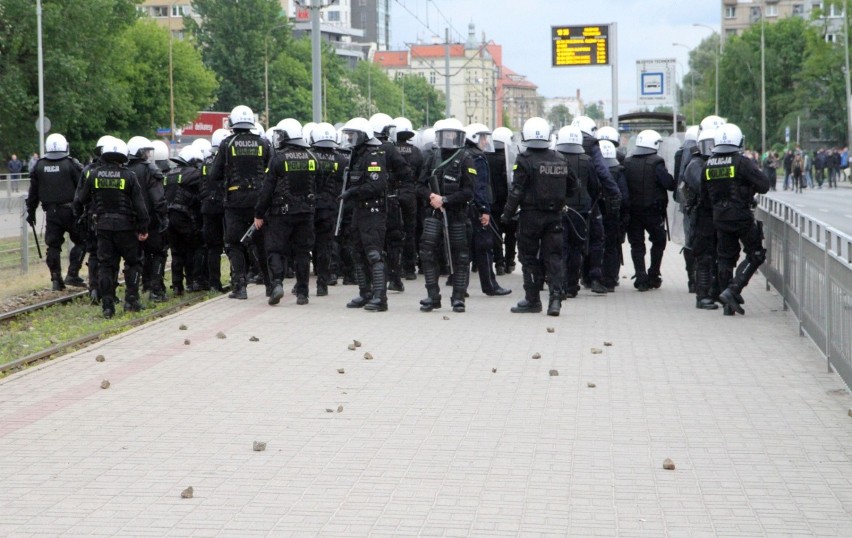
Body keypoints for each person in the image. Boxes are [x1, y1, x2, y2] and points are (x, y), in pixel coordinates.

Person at [501, 117, 577, 316]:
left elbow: (516, 191)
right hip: (555, 217)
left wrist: (506, 215)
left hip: (530, 217)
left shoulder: (524, 160)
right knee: (554, 258)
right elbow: (573, 186)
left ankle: (533, 300)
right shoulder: (561, 159)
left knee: (529, 258)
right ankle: (555, 302)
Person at [73, 138, 150, 318]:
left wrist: (80, 217)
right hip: (126, 228)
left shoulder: (94, 175)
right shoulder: (129, 176)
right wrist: (143, 227)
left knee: (106, 265)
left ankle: (107, 306)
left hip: (103, 228)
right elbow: (140, 206)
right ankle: (131, 300)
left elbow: (79, 200)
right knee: (132, 263)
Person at [700, 123, 771, 316]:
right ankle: (733, 289)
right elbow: (764, 184)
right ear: (738, 140)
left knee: (725, 258)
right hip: (741, 217)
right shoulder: (741, 162)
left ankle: (727, 306)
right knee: (756, 253)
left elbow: (703, 196)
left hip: (719, 218)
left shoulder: (708, 164)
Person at [206, 105, 273, 300]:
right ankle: (270, 286)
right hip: (258, 203)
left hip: (234, 202)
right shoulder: (263, 143)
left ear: (233, 123)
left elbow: (214, 175)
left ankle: (240, 287)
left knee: (234, 244)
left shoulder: (227, 144)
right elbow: (272, 170)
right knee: (261, 244)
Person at [254, 118, 317, 306]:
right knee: (302, 252)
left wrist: (259, 213)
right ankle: (303, 293)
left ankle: (277, 284)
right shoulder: (311, 157)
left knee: (275, 249)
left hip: (281, 214)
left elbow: (267, 189)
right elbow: (318, 184)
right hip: (306, 213)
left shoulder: (278, 158)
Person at [417, 119, 475, 313]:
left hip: (456, 214)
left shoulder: (466, 159)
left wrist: (446, 200)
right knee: (426, 252)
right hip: (434, 213)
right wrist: (431, 197)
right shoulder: (432, 157)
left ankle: (458, 298)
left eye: (453, 134)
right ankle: (432, 295)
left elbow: (468, 192)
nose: (449, 138)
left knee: (460, 256)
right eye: (445, 134)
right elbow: (419, 184)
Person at [338, 117, 390, 312]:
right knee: (357, 252)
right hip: (359, 210)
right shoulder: (356, 155)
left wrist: (353, 191)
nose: (350, 139)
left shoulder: (374, 155)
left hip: (373, 212)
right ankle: (365, 292)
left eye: (353, 135)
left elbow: (376, 184)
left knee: (374, 254)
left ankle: (380, 297)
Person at [26, 134, 87, 291]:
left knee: (53, 246)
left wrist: (30, 211)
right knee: (83, 241)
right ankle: (72, 273)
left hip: (51, 213)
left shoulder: (39, 166)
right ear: (64, 146)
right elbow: (83, 188)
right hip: (72, 211)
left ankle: (56, 279)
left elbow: (33, 193)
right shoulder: (71, 164)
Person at [623, 129, 675, 291]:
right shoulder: (657, 162)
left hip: (633, 212)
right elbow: (669, 184)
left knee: (637, 244)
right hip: (653, 212)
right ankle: (653, 275)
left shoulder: (628, 162)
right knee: (659, 241)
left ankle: (641, 276)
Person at [555, 125, 603, 298]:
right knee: (576, 248)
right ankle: (572, 285)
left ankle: (559, 285)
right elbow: (595, 186)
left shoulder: (555, 158)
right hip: (581, 212)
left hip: (559, 210)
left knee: (561, 248)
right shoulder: (587, 160)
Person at [465, 123, 510, 297]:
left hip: (463, 208)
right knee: (485, 248)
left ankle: (461, 287)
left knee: (464, 249)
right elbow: (481, 186)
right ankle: (490, 285)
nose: (485, 142)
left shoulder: (463, 154)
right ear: (475, 138)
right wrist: (485, 210)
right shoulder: (478, 158)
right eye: (483, 138)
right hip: (477, 210)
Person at [369, 113, 412, 293]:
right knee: (394, 239)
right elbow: (405, 171)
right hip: (390, 200)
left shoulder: (365, 148)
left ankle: (375, 281)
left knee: (374, 241)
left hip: (370, 201)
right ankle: (394, 278)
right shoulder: (389, 148)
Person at [309, 122, 348, 297]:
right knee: (326, 245)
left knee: (304, 245)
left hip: (310, 207)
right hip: (331, 207)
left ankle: (302, 283)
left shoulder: (309, 156)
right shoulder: (341, 160)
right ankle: (322, 283)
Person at [684, 127, 719, 310]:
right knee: (704, 257)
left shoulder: (723, 162)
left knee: (724, 256)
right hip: (704, 216)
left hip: (723, 216)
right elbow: (701, 187)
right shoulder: (695, 164)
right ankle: (703, 294)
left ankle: (720, 291)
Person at [164, 145, 204, 296]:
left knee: (176, 252)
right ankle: (193, 282)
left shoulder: (169, 174)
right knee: (194, 248)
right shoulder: (193, 173)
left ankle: (176, 286)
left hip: (169, 218)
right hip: (186, 218)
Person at [392, 116, 423, 281]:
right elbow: (421, 175)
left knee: (393, 231)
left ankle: (395, 268)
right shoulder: (417, 152)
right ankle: (410, 268)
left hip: (393, 193)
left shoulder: (389, 150)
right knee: (410, 231)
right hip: (411, 194)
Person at [200, 128, 230, 292]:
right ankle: (236, 279)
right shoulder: (227, 161)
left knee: (213, 248)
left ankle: (214, 284)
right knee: (231, 245)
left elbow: (201, 184)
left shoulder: (205, 162)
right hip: (225, 207)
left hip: (208, 208)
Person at [599, 140, 629, 292]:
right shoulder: (619, 171)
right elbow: (625, 197)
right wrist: (624, 216)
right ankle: (610, 280)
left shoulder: (596, 169)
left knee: (596, 246)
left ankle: (594, 278)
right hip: (614, 217)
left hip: (597, 215)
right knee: (612, 247)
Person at [489, 127, 517, 275]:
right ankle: (509, 261)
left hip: (492, 201)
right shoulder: (510, 156)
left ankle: (498, 262)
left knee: (496, 232)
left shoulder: (486, 155)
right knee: (511, 233)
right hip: (509, 200)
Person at [674, 126, 699, 293]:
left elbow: (678, 181)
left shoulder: (681, 154)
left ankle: (692, 279)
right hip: (702, 206)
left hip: (687, 205)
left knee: (690, 240)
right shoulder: (703, 156)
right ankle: (701, 279)